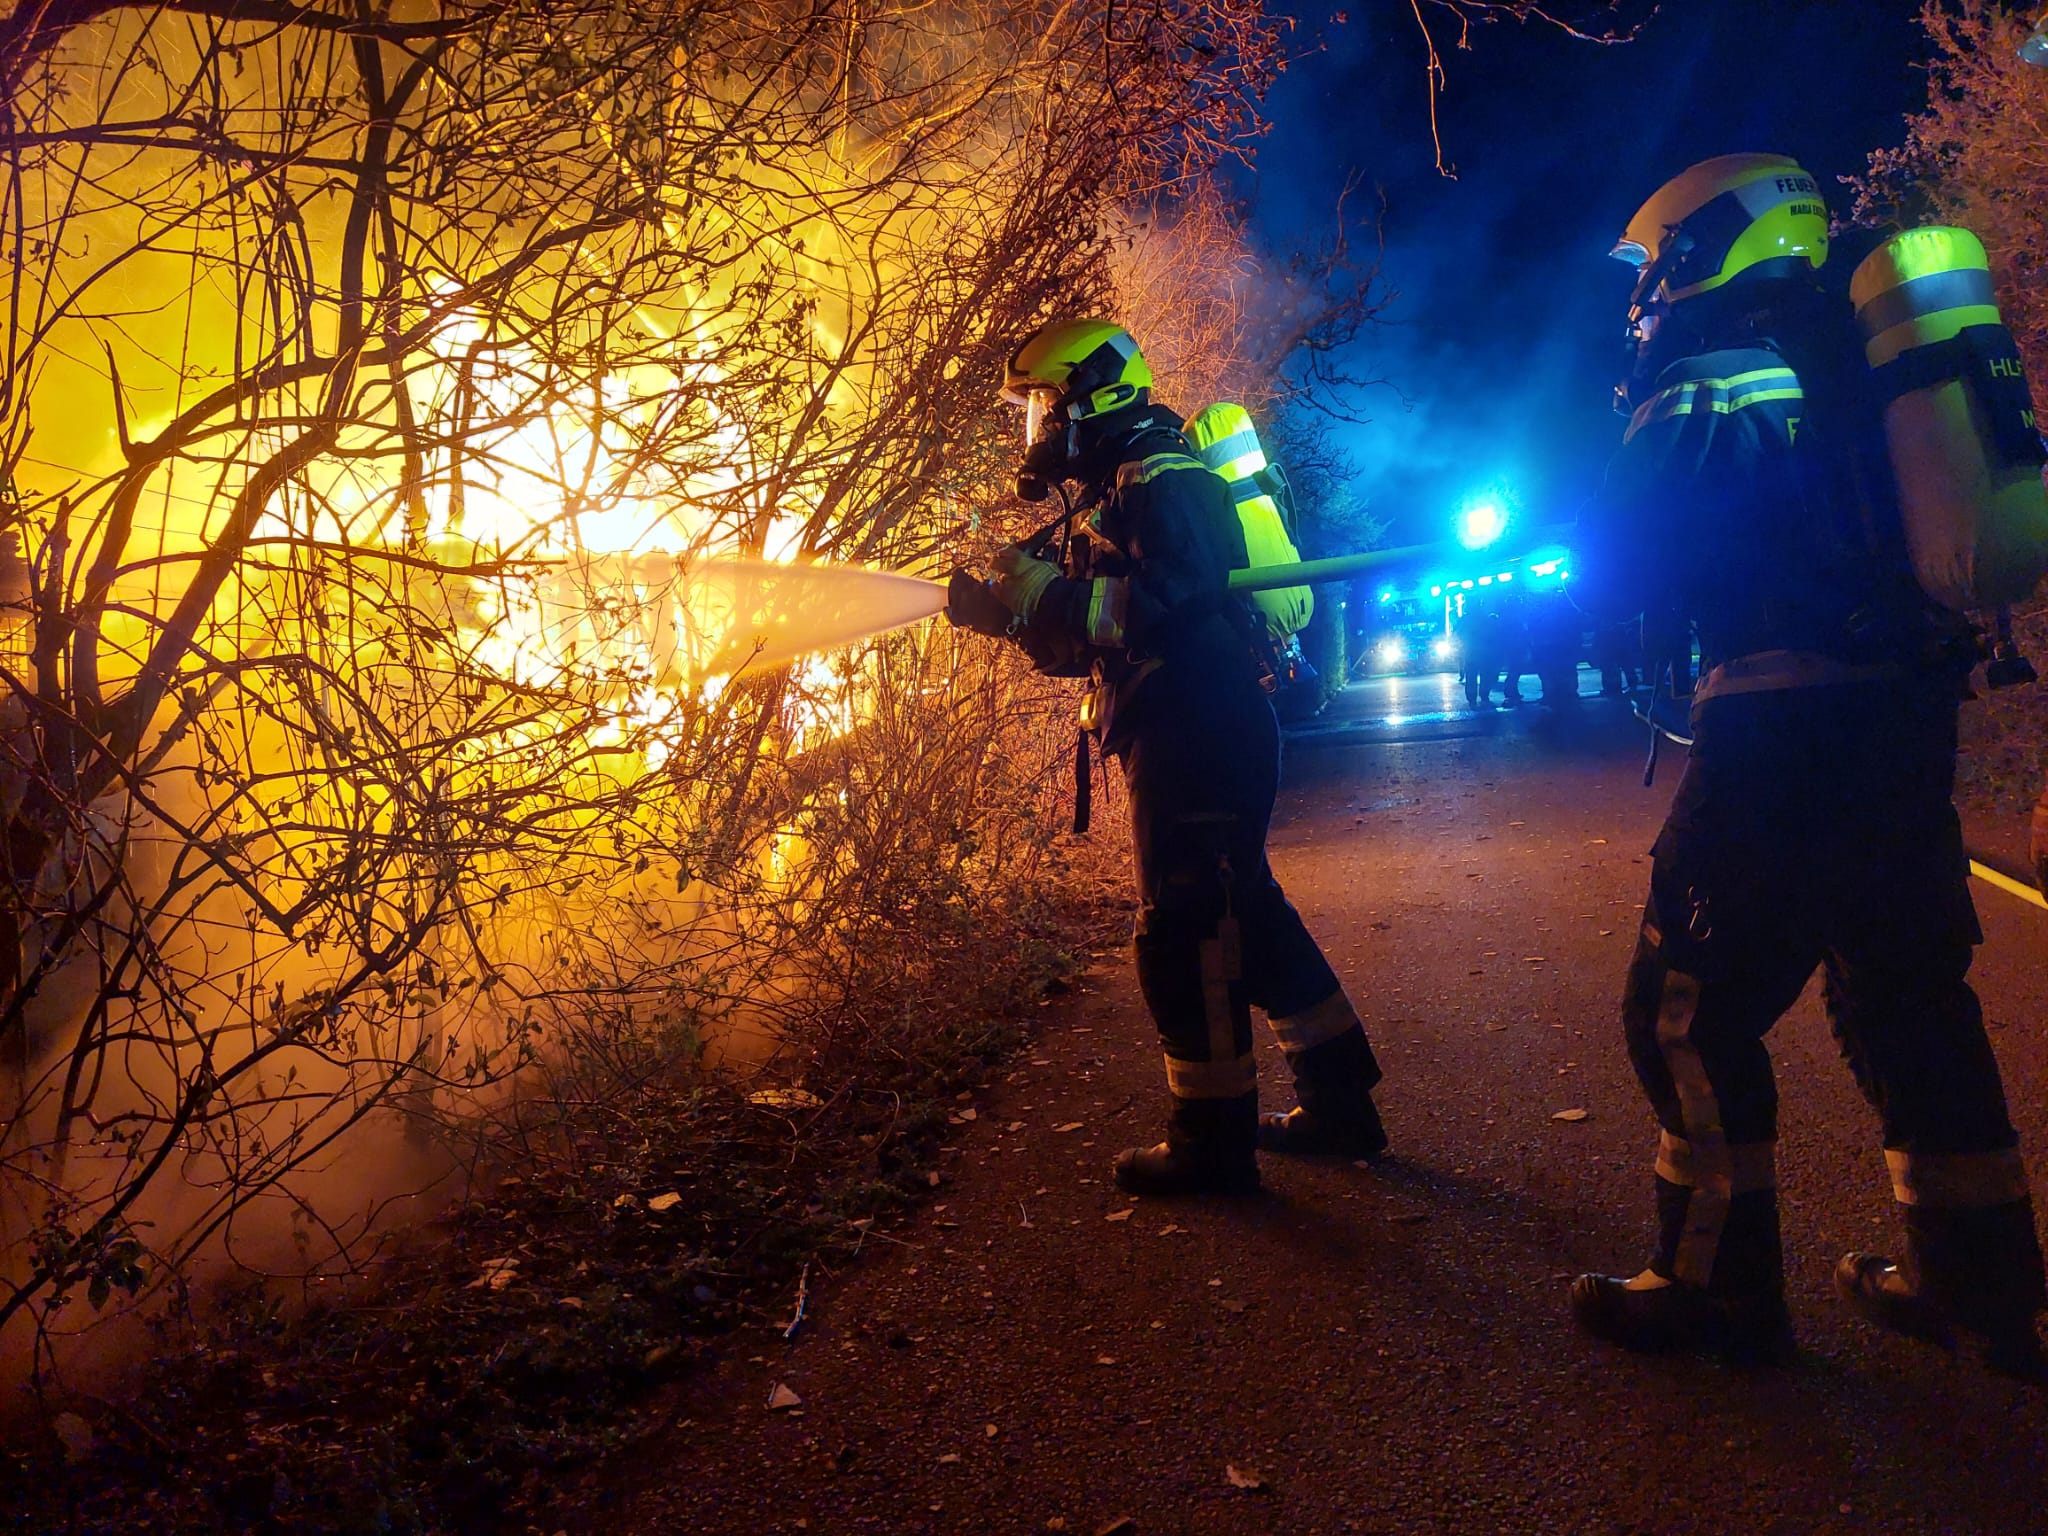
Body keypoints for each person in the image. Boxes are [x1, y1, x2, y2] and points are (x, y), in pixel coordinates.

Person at [1566, 154, 2046, 1374]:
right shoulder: (1850, 357)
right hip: (1899, 726)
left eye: (1653, 265)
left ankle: (1710, 1289)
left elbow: (1623, 560)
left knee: (1680, 1010)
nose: (1644, 296)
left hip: (1779, 734)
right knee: (1904, 996)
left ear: (1699, 247)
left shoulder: (1708, 370)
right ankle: (1980, 1291)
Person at [946, 319, 1387, 1195]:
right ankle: (1341, 1103)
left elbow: (1168, 605)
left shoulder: (1164, 476)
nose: (1035, 429)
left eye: (1042, 405)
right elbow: (1100, 634)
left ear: (1091, 394)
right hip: (1190, 728)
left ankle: (1212, 1147)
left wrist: (1053, 594)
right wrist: (1013, 613)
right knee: (1245, 916)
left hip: (1197, 733)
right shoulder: (1122, 485)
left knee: (1185, 935)